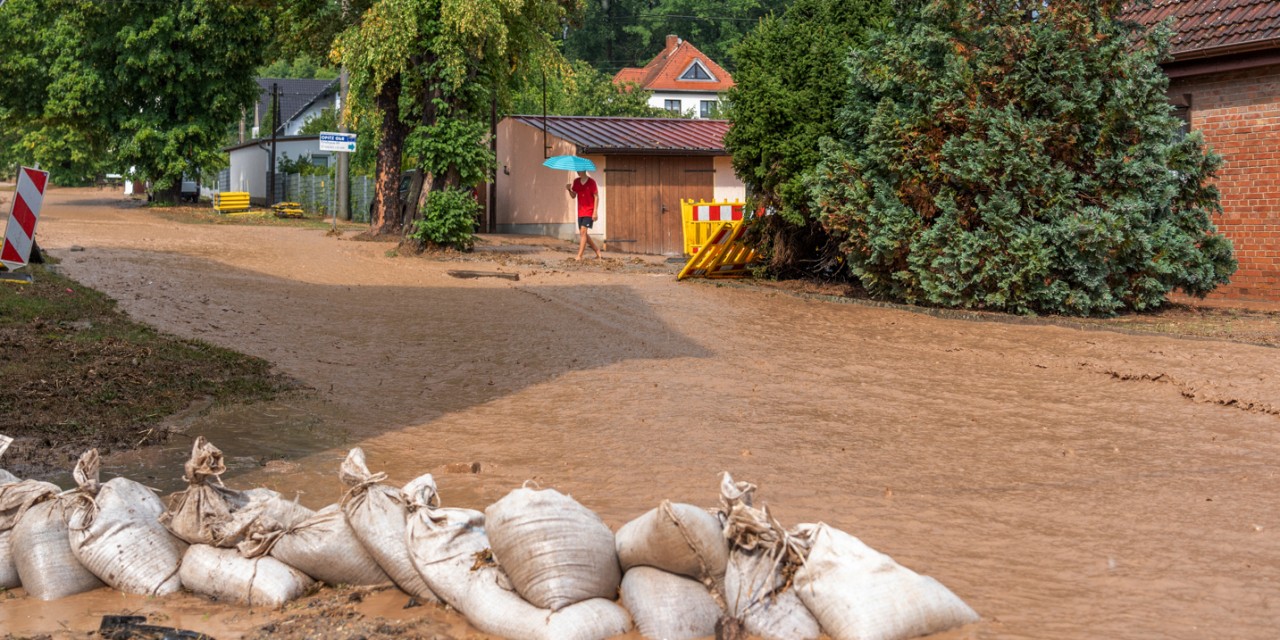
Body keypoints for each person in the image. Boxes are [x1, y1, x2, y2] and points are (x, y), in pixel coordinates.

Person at [567, 170, 603, 260]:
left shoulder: (592, 182)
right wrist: (569, 189)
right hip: (581, 211)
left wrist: (595, 211)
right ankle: (597, 250)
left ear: (584, 170)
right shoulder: (576, 182)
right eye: (577, 170)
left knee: (583, 232)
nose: (578, 171)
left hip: (589, 210)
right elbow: (573, 196)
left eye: (579, 169)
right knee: (584, 234)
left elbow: (596, 196)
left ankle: (579, 256)